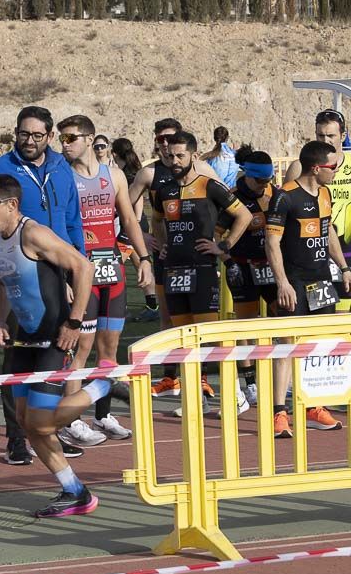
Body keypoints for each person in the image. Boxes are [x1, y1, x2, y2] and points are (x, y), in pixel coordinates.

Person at [0, 175, 111, 518]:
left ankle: (101, 387)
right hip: (24, 338)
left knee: (41, 423)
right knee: (27, 423)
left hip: (54, 337)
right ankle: (75, 491)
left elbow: (84, 266)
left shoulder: (33, 234)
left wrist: (74, 321)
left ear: (11, 204)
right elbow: (1, 281)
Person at [0, 106, 85, 466]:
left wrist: (72, 274)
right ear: (15, 133)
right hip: (18, 275)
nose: (30, 141)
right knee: (15, 366)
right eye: (24, 134)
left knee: (56, 359)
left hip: (55, 272)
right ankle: (17, 438)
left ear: (50, 136)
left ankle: (49, 432)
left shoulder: (60, 167)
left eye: (37, 135)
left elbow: (72, 220)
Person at [58, 115, 154, 446]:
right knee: (80, 350)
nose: (65, 144)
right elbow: (58, 229)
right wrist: (64, 275)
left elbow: (128, 218)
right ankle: (71, 419)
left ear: (88, 138)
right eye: (62, 138)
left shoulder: (112, 175)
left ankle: (103, 413)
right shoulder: (63, 177)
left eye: (70, 137)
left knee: (109, 349)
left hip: (111, 269)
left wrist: (144, 259)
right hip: (80, 271)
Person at [148, 131, 252, 409]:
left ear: (194, 155)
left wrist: (224, 245)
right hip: (174, 271)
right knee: (184, 339)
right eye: (170, 155)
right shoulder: (164, 190)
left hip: (203, 270)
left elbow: (244, 215)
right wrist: (163, 245)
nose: (175, 160)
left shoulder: (209, 186)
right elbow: (157, 221)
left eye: (181, 155)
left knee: (210, 336)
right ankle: (196, 398)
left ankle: (235, 394)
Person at [266, 140, 350, 438]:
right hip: (294, 281)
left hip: (321, 280)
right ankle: (278, 412)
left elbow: (328, 235)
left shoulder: (325, 193)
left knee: (317, 344)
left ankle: (313, 406)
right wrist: (282, 283)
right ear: (317, 168)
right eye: (333, 167)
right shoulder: (285, 197)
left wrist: (344, 268)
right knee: (287, 345)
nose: (336, 172)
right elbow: (271, 241)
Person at [127, 119, 221, 388]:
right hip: (167, 256)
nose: (167, 147)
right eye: (161, 141)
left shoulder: (202, 170)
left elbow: (224, 206)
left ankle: (200, 379)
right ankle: (171, 377)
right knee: (169, 318)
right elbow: (123, 208)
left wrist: (217, 244)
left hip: (198, 257)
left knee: (202, 321)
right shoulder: (149, 174)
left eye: (171, 140)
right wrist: (144, 237)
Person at [219, 148, 277, 409]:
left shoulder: (275, 194)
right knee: (246, 325)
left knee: (283, 319)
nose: (263, 186)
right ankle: (250, 382)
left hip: (273, 269)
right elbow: (215, 237)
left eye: (267, 180)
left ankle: (279, 378)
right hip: (242, 267)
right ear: (246, 175)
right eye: (259, 181)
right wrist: (228, 261)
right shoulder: (231, 199)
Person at [283, 109, 351, 310]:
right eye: (321, 135)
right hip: (311, 255)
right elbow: (285, 213)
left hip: (345, 250)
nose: (326, 140)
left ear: (343, 136)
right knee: (317, 317)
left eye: (331, 135)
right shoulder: (299, 167)